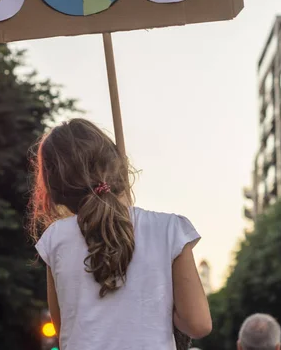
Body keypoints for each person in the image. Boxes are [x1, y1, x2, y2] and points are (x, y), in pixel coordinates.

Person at [29, 118, 212, 350]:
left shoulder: (55, 239)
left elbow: (64, 324)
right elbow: (198, 325)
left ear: (55, 190)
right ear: (117, 166)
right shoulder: (169, 229)